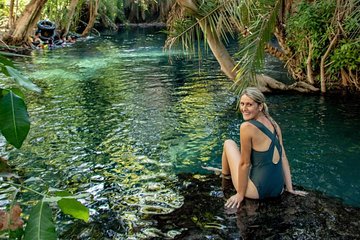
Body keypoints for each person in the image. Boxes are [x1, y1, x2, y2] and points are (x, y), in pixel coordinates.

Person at [222, 87, 307, 209]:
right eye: (242, 104)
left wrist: (240, 194)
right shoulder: (274, 124)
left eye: (249, 104)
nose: (244, 109)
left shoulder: (246, 127)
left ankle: (225, 178)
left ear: (260, 106)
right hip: (278, 190)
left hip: (256, 191)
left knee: (228, 143)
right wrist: (289, 189)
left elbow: (244, 164)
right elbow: (283, 157)